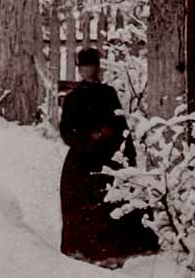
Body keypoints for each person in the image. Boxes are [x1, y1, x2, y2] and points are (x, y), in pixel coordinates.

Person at [58, 45, 156, 265]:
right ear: (79, 69)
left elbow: (120, 126)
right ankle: (85, 252)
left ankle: (116, 252)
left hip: (108, 157)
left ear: (97, 67)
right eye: (83, 66)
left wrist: (127, 155)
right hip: (82, 160)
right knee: (80, 203)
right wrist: (88, 137)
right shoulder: (73, 98)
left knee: (113, 199)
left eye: (91, 65)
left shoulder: (108, 94)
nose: (88, 70)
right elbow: (66, 131)